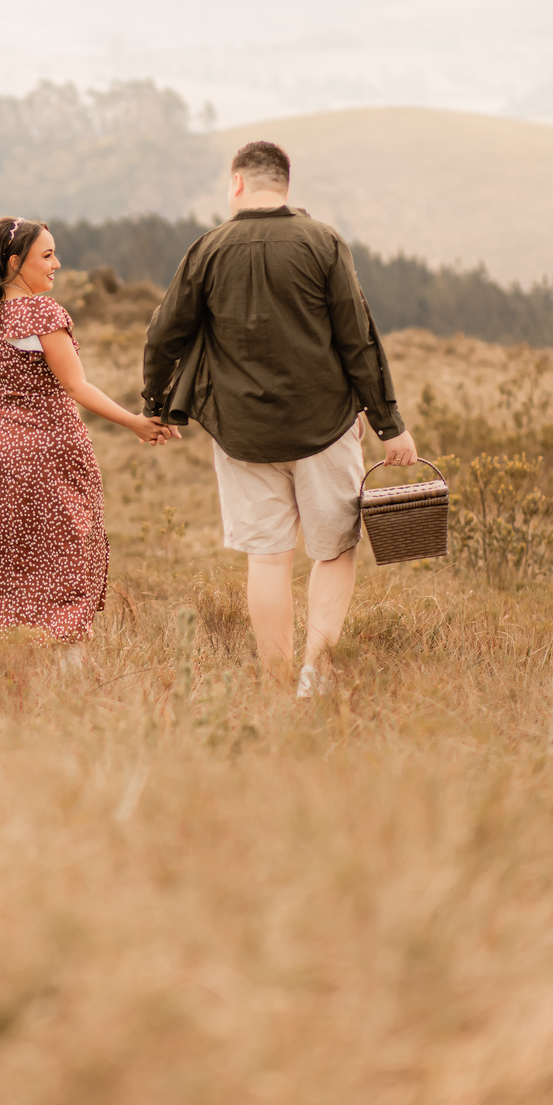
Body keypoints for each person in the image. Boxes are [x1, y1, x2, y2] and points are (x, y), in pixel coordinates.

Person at [142, 141, 418, 695]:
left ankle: (274, 682)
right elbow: (357, 340)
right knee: (334, 550)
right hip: (326, 426)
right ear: (285, 184)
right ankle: (315, 673)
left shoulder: (208, 248)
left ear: (238, 184)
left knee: (267, 560)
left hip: (242, 433)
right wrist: (390, 425)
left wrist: (154, 404)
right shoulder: (323, 243)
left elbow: (163, 334)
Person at [0, 216, 171, 647]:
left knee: (9, 559)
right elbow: (76, 386)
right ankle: (67, 660)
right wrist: (134, 422)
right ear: (16, 262)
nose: (57, 264)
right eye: (48, 255)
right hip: (54, 451)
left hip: (3, 451)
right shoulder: (40, 312)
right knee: (68, 556)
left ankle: (12, 653)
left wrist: (8, 445)